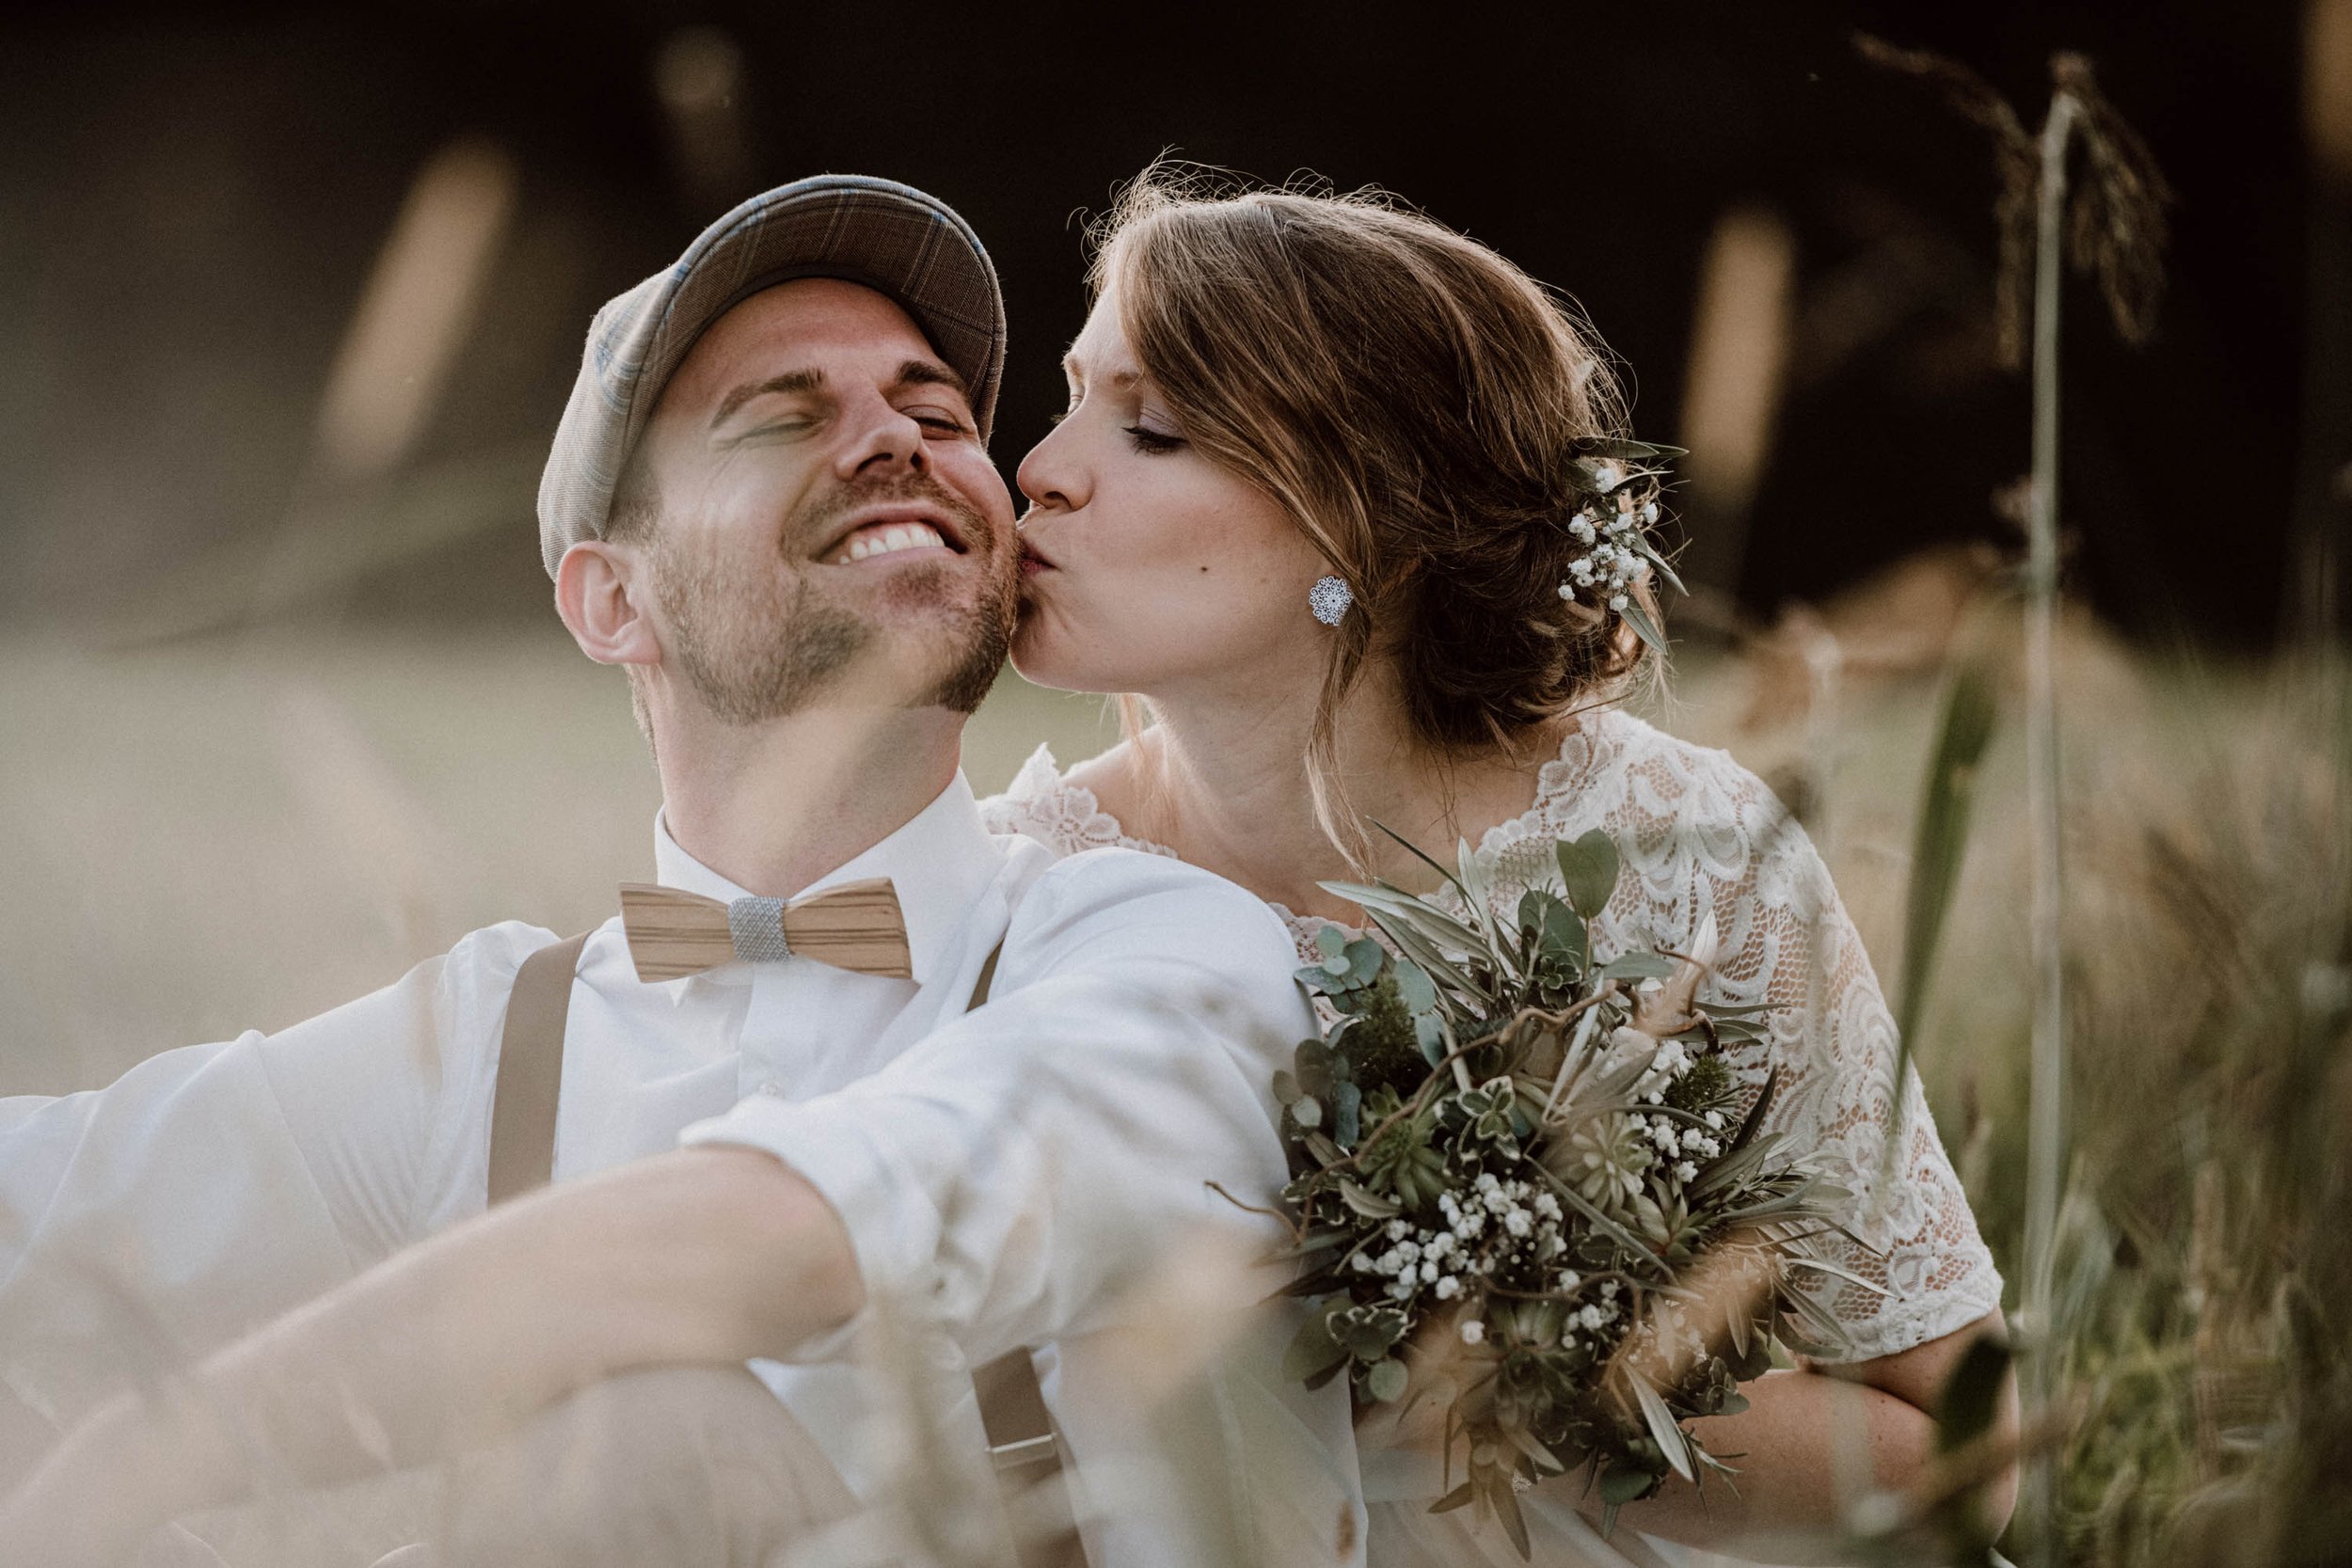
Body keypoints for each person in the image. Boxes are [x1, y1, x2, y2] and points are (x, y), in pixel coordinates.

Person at [0, 175, 1361, 1568]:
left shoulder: (1164, 951)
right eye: (783, 416)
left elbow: (806, 1227)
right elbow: (58, 1206)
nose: (896, 438)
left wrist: (147, 1457)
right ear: (613, 599)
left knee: (655, 1447)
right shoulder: (498, 1039)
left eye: (938, 413)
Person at [982, 169, 2018, 1565]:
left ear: (1374, 530)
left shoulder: (1687, 863)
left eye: (1153, 427)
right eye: (1069, 395)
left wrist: (1530, 1382)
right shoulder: (1021, 886)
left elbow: (1965, 1456)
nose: (1039, 466)